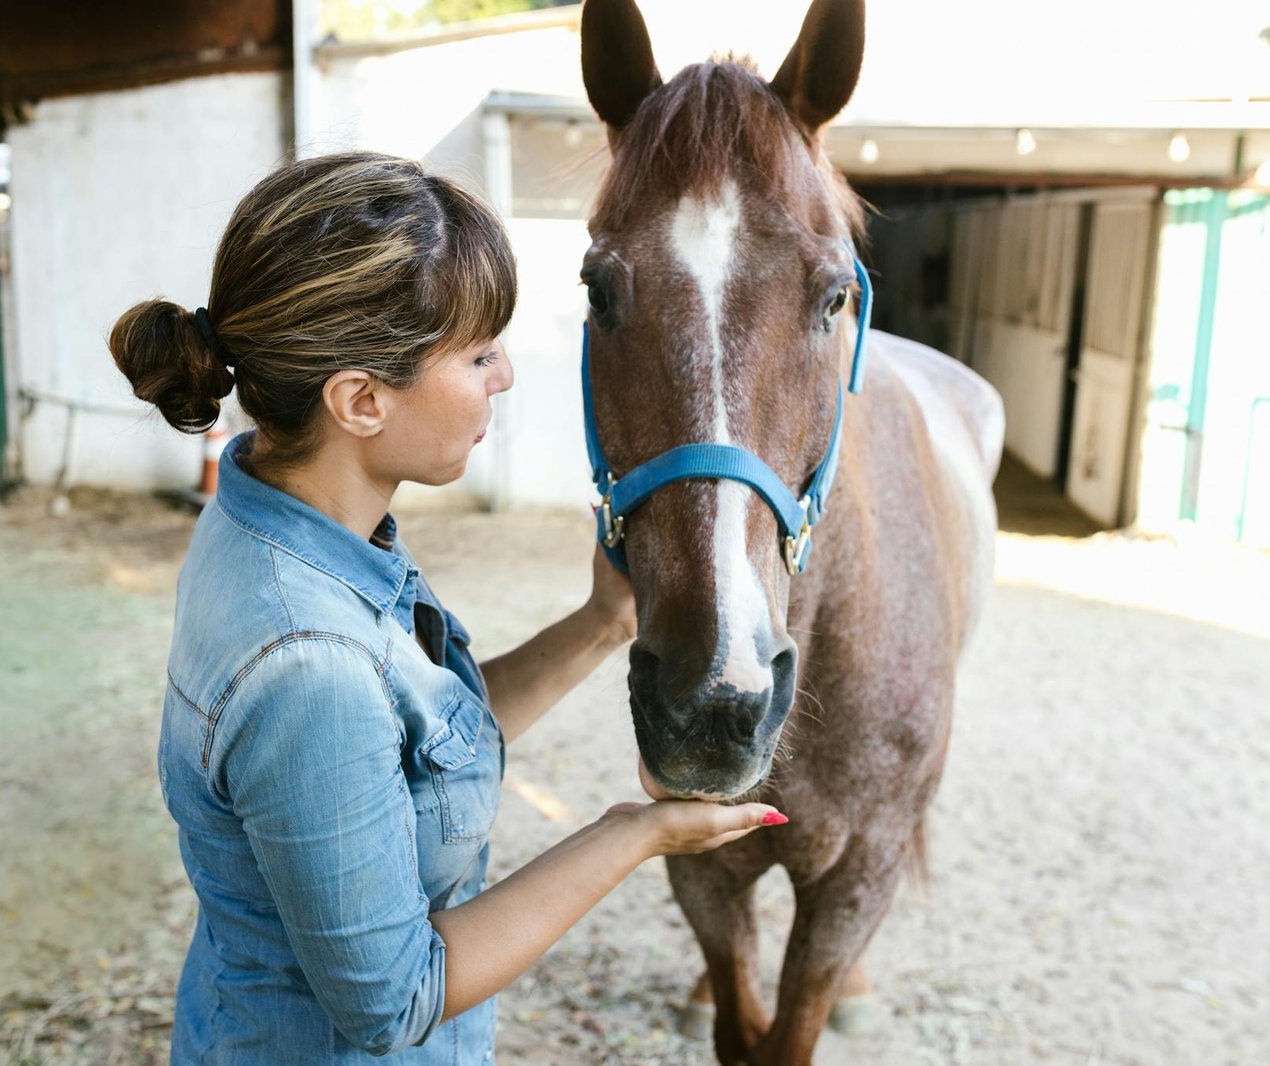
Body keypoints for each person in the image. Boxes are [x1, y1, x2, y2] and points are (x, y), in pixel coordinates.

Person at [109, 150, 787, 1064]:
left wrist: (600, 624)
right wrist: (637, 836)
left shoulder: (284, 516)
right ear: (360, 400)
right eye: (476, 354)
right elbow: (397, 1001)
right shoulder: (307, 664)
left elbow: (416, 749)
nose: (503, 376)